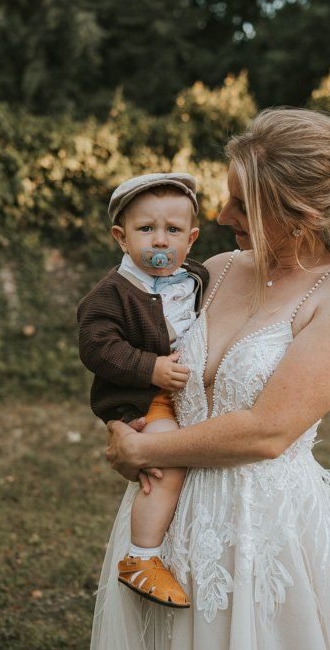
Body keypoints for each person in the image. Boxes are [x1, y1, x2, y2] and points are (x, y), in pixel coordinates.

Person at [90, 107, 330, 649]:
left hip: (263, 527)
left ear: (296, 209)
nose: (220, 215)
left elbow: (269, 431)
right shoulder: (214, 271)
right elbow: (143, 361)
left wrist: (146, 453)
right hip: (165, 519)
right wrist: (122, 426)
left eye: (242, 203)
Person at [77, 172, 211, 609]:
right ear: (121, 236)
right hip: (144, 399)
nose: (159, 241)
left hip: (188, 398)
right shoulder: (111, 293)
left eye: (172, 231)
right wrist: (148, 367)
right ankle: (142, 557)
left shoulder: (196, 278)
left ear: (190, 239)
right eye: (145, 229)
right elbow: (98, 347)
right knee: (164, 463)